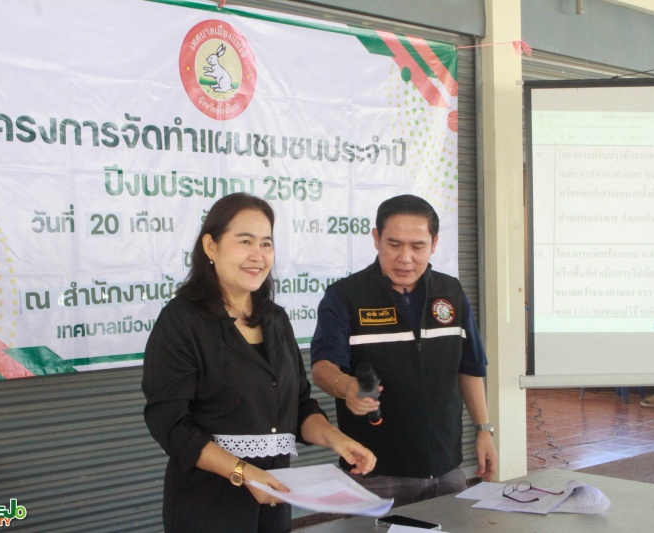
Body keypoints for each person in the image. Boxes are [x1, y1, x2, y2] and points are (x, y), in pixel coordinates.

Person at [142, 193, 376, 532]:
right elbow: (171, 425)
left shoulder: (275, 320)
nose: (258, 255)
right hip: (207, 505)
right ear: (210, 246)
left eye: (266, 243)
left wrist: (336, 439)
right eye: (245, 241)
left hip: (274, 499)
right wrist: (243, 472)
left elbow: (299, 406)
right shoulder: (181, 321)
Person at [310, 194, 497, 507]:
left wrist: (484, 429)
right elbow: (322, 367)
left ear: (434, 243)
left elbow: (469, 367)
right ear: (376, 238)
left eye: (417, 246)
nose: (405, 258)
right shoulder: (345, 296)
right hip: (374, 470)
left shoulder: (451, 292)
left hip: (447, 466)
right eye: (394, 244)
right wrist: (347, 387)